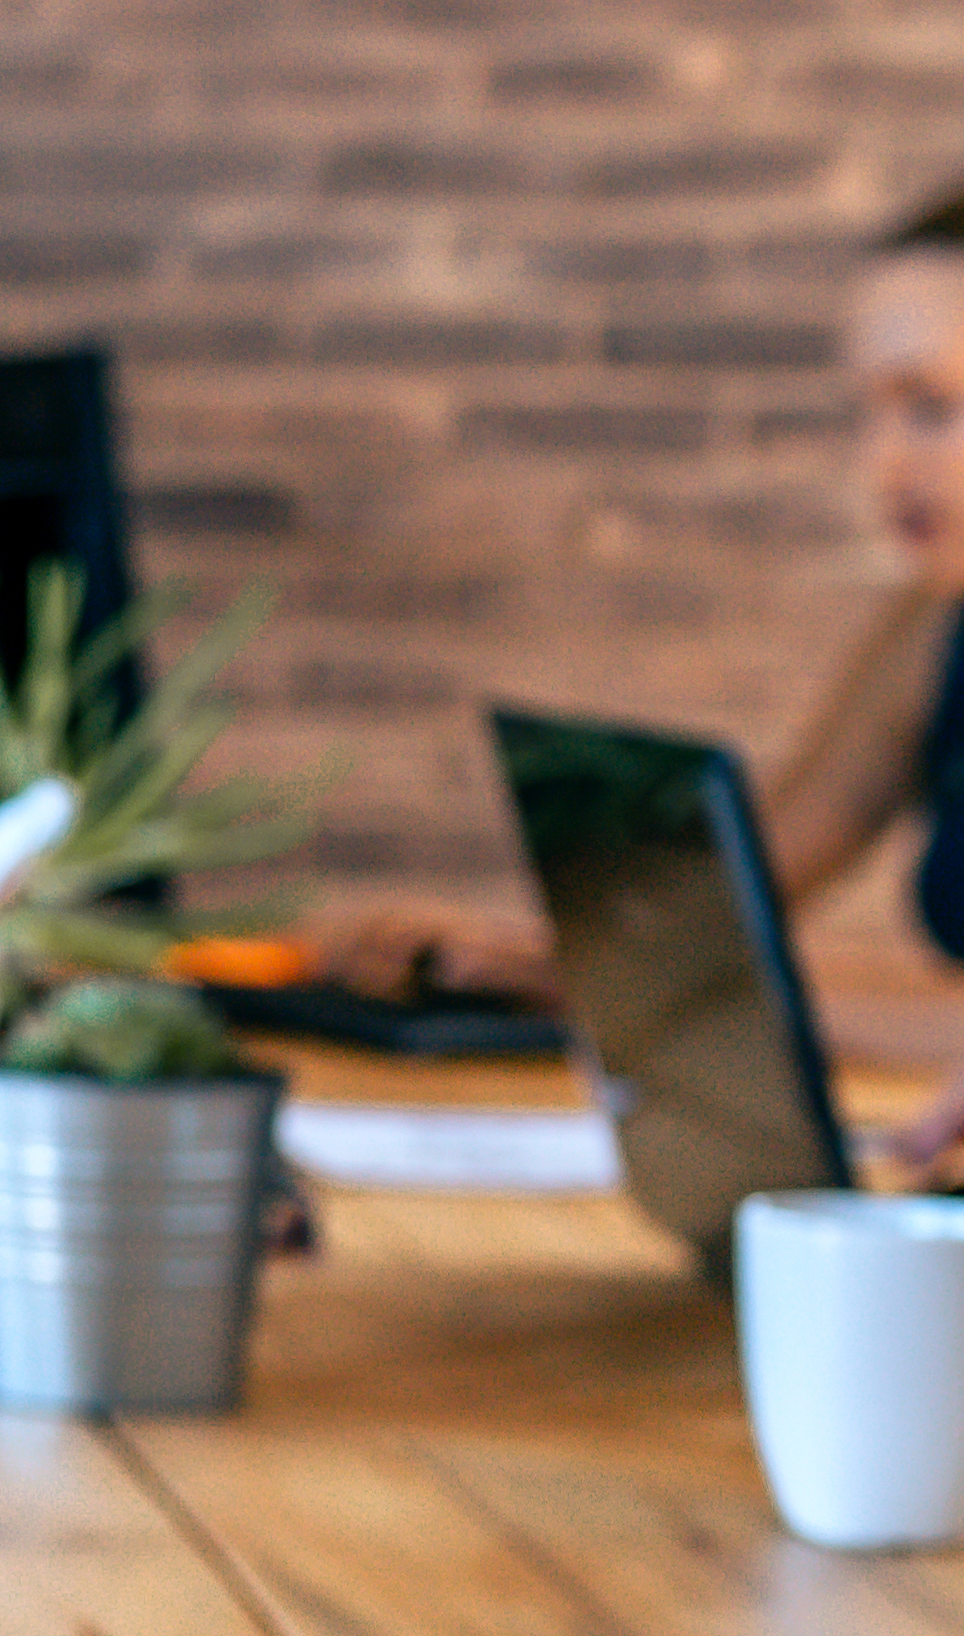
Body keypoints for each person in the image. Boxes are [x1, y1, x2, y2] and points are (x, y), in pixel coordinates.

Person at [319, 181, 964, 1173]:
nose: (883, 466)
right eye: (867, 412)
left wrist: (659, 995)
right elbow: (740, 885)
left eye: (931, 407)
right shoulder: (932, 626)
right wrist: (547, 961)